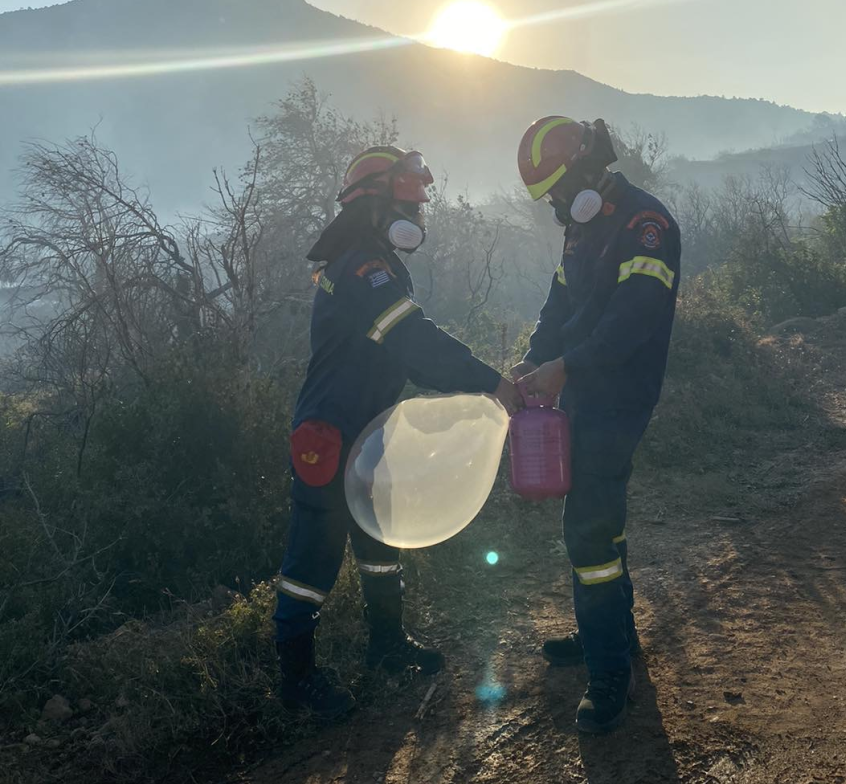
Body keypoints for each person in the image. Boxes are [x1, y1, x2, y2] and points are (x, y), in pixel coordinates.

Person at [274, 145, 523, 720]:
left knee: (379, 541)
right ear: (375, 205)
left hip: (367, 430)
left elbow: (407, 357)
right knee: (312, 561)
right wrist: (492, 383)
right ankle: (296, 684)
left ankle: (386, 647)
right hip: (330, 436)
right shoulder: (363, 266)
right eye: (409, 203)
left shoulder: (371, 260)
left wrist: (470, 389)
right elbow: (415, 344)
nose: (418, 215)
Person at [512, 116, 680, 734]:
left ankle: (609, 670)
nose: (556, 204)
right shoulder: (582, 229)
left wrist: (567, 367)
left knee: (587, 530)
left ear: (587, 169)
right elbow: (561, 303)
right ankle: (612, 634)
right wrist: (537, 355)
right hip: (580, 391)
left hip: (618, 399)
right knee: (598, 525)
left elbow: (632, 321)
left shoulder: (645, 225)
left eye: (558, 189)